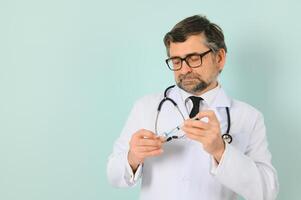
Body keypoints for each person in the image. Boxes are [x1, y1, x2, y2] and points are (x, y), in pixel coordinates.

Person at [107, 15, 279, 200]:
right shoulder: (147, 107)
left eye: (194, 58)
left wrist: (220, 150)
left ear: (219, 58)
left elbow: (266, 192)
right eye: (176, 61)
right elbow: (114, 176)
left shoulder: (249, 117)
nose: (184, 70)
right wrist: (133, 157)